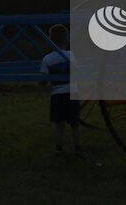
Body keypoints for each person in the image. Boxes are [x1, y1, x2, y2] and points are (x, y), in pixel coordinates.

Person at [40, 24, 81, 154]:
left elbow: (43, 80)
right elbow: (78, 73)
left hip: (57, 94)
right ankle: (78, 148)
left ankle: (59, 148)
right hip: (72, 92)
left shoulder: (47, 59)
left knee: (58, 123)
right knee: (75, 124)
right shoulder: (72, 55)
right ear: (66, 39)